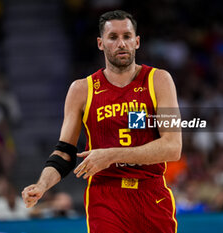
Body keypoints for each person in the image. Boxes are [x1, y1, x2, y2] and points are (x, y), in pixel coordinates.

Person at [21, 10, 182, 233]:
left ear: (137, 42)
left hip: (151, 193)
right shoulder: (81, 89)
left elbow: (173, 147)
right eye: (113, 37)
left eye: (127, 36)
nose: (121, 43)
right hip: (106, 197)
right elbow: (64, 152)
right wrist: (42, 185)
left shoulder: (159, 80)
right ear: (100, 43)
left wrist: (111, 154)